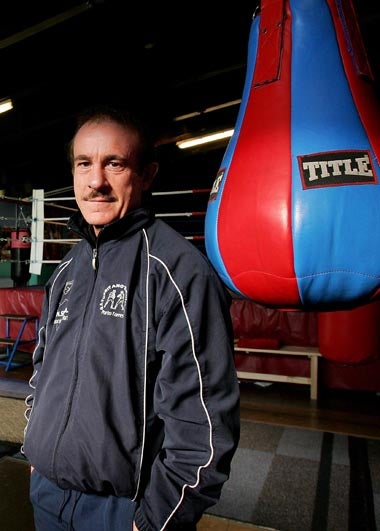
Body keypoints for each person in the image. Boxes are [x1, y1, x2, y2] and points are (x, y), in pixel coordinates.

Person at [22, 105, 240, 531]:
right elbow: (41, 371)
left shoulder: (178, 272)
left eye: (114, 164)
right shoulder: (66, 270)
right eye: (84, 163)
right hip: (47, 496)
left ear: (146, 175)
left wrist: (156, 520)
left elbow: (206, 421)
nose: (96, 181)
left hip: (122, 513)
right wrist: (36, 453)